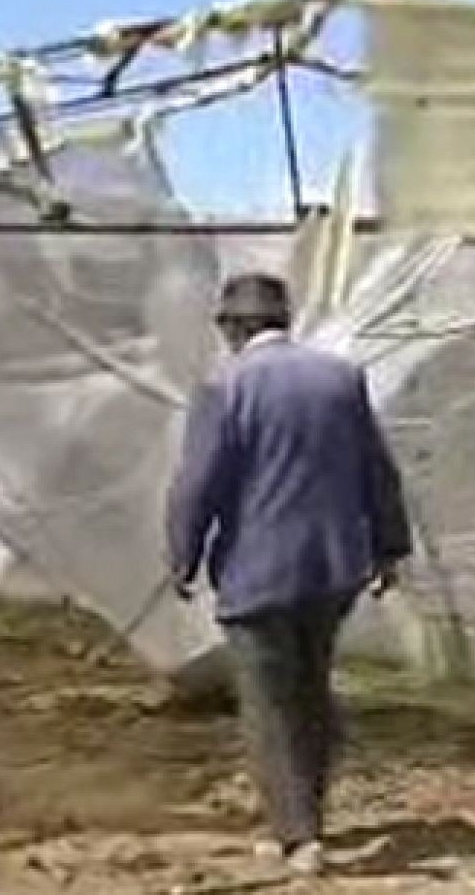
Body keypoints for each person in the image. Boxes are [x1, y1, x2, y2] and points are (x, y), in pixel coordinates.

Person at [166, 271, 413, 877]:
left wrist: (183, 557)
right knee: (310, 689)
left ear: (231, 327)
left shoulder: (224, 387)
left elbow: (199, 484)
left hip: (257, 573)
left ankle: (297, 836)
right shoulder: (340, 379)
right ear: (283, 321)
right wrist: (388, 547)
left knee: (269, 705)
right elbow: (378, 471)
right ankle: (309, 820)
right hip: (333, 570)